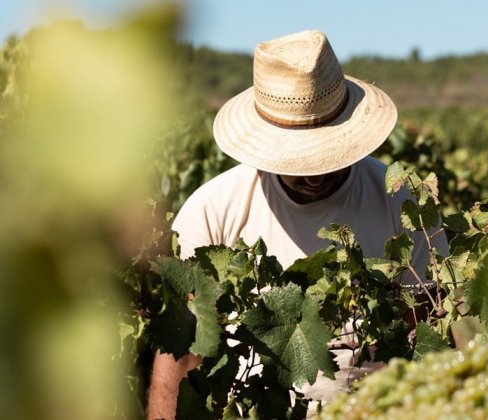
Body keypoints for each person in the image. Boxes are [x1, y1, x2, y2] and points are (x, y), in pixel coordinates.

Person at [146, 29, 448, 419]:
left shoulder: (401, 202)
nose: (314, 176)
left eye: (325, 157)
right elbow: (181, 353)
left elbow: (422, 337)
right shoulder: (211, 211)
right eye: (296, 162)